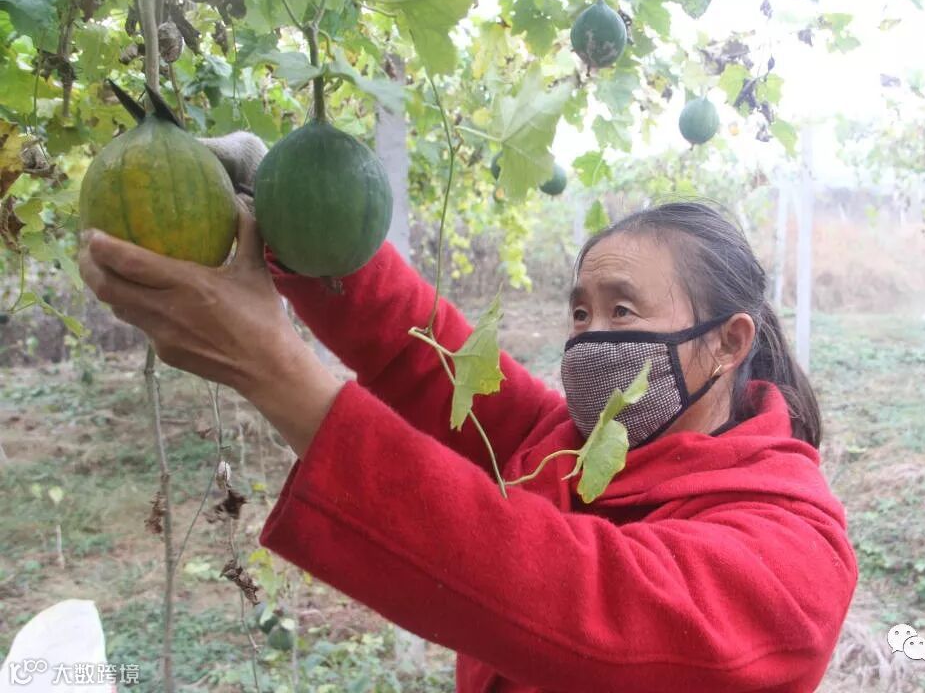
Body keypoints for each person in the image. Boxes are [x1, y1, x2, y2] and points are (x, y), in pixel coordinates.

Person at [78, 134, 857, 693]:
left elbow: (570, 596)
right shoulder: (564, 445)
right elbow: (419, 353)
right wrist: (297, 219)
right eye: (580, 313)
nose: (591, 338)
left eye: (623, 310)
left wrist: (272, 368)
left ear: (728, 342)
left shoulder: (795, 558)